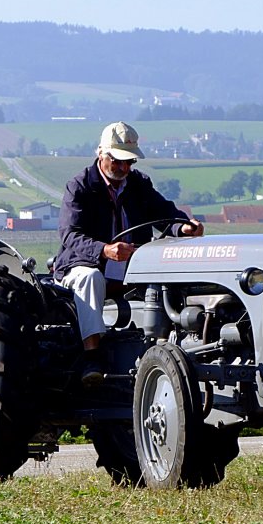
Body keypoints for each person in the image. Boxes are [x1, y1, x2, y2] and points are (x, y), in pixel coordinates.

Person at [55, 121, 203, 387]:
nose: (124, 168)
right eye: (118, 161)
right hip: (83, 266)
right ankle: (92, 356)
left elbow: (164, 213)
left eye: (129, 162)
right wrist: (105, 250)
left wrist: (183, 227)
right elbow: (69, 235)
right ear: (102, 154)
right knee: (90, 279)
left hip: (130, 270)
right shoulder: (79, 187)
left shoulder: (138, 184)